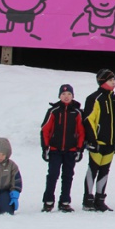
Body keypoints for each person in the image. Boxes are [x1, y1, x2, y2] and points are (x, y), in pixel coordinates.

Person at [40, 83, 86, 212]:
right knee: (53, 175)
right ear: (59, 96)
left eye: (69, 94)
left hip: (71, 151)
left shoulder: (77, 112)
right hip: (55, 150)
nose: (66, 96)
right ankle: (48, 200)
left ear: (73, 96)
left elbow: (81, 132)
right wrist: (45, 147)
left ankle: (65, 201)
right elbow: (45, 130)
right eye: (64, 94)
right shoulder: (53, 111)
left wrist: (80, 149)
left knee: (68, 176)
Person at [82, 68, 115, 212]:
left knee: (105, 171)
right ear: (102, 81)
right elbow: (88, 120)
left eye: (114, 80)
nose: (113, 82)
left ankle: (100, 199)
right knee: (93, 169)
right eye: (110, 80)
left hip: (110, 142)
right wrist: (92, 140)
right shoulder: (94, 98)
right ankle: (88, 199)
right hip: (98, 142)